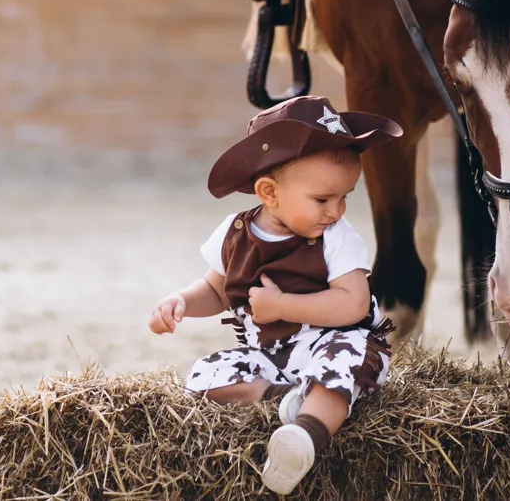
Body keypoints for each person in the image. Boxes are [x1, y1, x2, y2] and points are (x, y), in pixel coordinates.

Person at [148, 95, 403, 495]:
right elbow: (215, 289)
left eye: (345, 197)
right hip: (270, 359)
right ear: (269, 192)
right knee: (202, 375)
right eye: (322, 199)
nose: (336, 211)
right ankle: (282, 400)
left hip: (332, 342)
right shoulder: (235, 233)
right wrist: (180, 301)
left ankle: (306, 434)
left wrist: (284, 305)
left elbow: (352, 303)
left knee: (345, 364)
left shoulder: (337, 238)